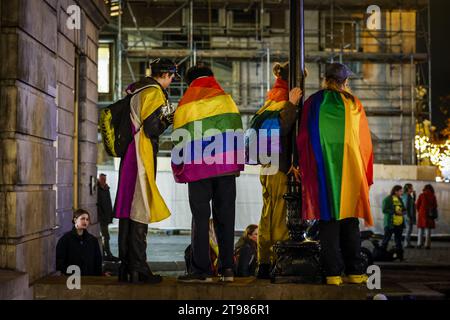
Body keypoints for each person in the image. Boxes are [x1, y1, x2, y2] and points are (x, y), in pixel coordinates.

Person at [297, 63, 374, 285]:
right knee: (350, 222)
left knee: (328, 223)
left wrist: (302, 165)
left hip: (323, 172)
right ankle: (355, 272)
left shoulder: (313, 102)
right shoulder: (354, 104)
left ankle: (332, 275)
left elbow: (303, 138)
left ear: (325, 79)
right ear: (345, 82)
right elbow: (365, 143)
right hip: (350, 172)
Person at [172, 64, 244, 283]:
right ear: (211, 77)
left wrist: (179, 170)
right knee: (226, 216)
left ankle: (201, 271)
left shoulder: (186, 103)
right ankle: (227, 269)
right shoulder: (227, 100)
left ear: (189, 81)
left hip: (198, 169)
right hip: (226, 168)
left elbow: (179, 140)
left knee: (200, 218)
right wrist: (236, 164)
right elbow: (238, 131)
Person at [114, 58, 177, 284]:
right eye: (171, 78)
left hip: (130, 153)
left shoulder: (136, 90)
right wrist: (168, 119)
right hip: (140, 154)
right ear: (167, 76)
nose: (171, 83)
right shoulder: (154, 93)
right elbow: (152, 128)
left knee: (127, 211)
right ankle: (139, 269)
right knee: (140, 209)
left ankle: (127, 268)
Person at [246, 62, 302, 279]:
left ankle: (264, 263)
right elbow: (283, 128)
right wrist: (292, 104)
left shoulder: (271, 99)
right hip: (279, 168)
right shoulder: (282, 100)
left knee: (267, 216)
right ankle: (280, 263)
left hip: (267, 167)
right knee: (279, 217)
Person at [56, 209, 102, 276]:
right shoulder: (65, 239)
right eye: (82, 218)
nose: (85, 221)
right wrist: (70, 272)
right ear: (75, 220)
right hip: (72, 279)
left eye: (87, 219)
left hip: (90, 278)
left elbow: (98, 261)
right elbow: (59, 262)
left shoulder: (93, 240)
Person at [381, 185, 406, 261]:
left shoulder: (400, 199)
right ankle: (381, 256)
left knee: (398, 241)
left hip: (399, 223)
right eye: (400, 191)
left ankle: (400, 257)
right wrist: (395, 212)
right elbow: (384, 210)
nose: (402, 192)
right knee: (386, 240)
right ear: (396, 191)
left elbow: (404, 209)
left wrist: (403, 212)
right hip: (390, 224)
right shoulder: (388, 199)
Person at [97, 173, 117, 260]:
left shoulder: (106, 189)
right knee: (105, 236)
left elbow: (108, 203)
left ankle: (106, 253)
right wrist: (102, 216)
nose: (104, 181)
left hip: (106, 217)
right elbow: (99, 205)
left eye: (104, 179)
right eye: (102, 179)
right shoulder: (99, 190)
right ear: (99, 180)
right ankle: (107, 254)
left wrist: (111, 215)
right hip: (101, 218)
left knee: (105, 236)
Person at [416, 184, 438, 249]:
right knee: (428, 230)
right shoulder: (433, 196)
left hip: (422, 214)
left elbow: (417, 205)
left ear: (424, 188)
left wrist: (419, 211)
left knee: (420, 229)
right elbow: (435, 205)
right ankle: (427, 245)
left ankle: (419, 244)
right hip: (429, 214)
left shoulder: (421, 195)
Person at [402, 183, 416, 248]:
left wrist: (414, 196)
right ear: (408, 189)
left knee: (409, 229)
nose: (412, 189)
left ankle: (407, 243)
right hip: (408, 215)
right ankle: (406, 243)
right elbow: (405, 206)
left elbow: (412, 203)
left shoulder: (408, 195)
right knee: (409, 230)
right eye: (411, 188)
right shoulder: (407, 196)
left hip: (409, 215)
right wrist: (408, 216)